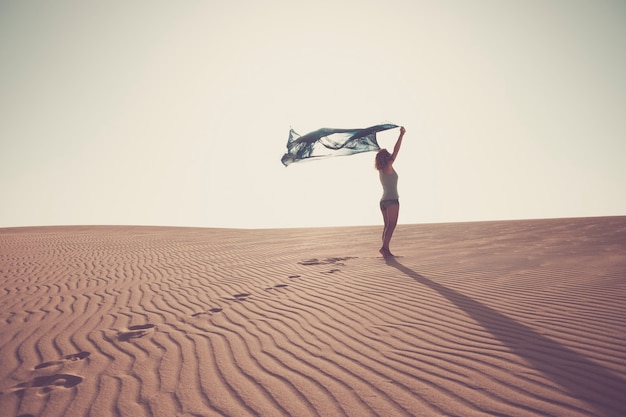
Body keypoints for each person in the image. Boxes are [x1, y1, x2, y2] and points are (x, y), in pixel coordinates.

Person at [375, 126, 405, 258]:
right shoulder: (388, 166)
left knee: (387, 226)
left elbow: (382, 153)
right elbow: (396, 150)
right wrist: (401, 135)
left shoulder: (381, 168)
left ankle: (385, 249)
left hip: (383, 201)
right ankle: (384, 248)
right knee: (391, 225)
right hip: (391, 200)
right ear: (386, 158)